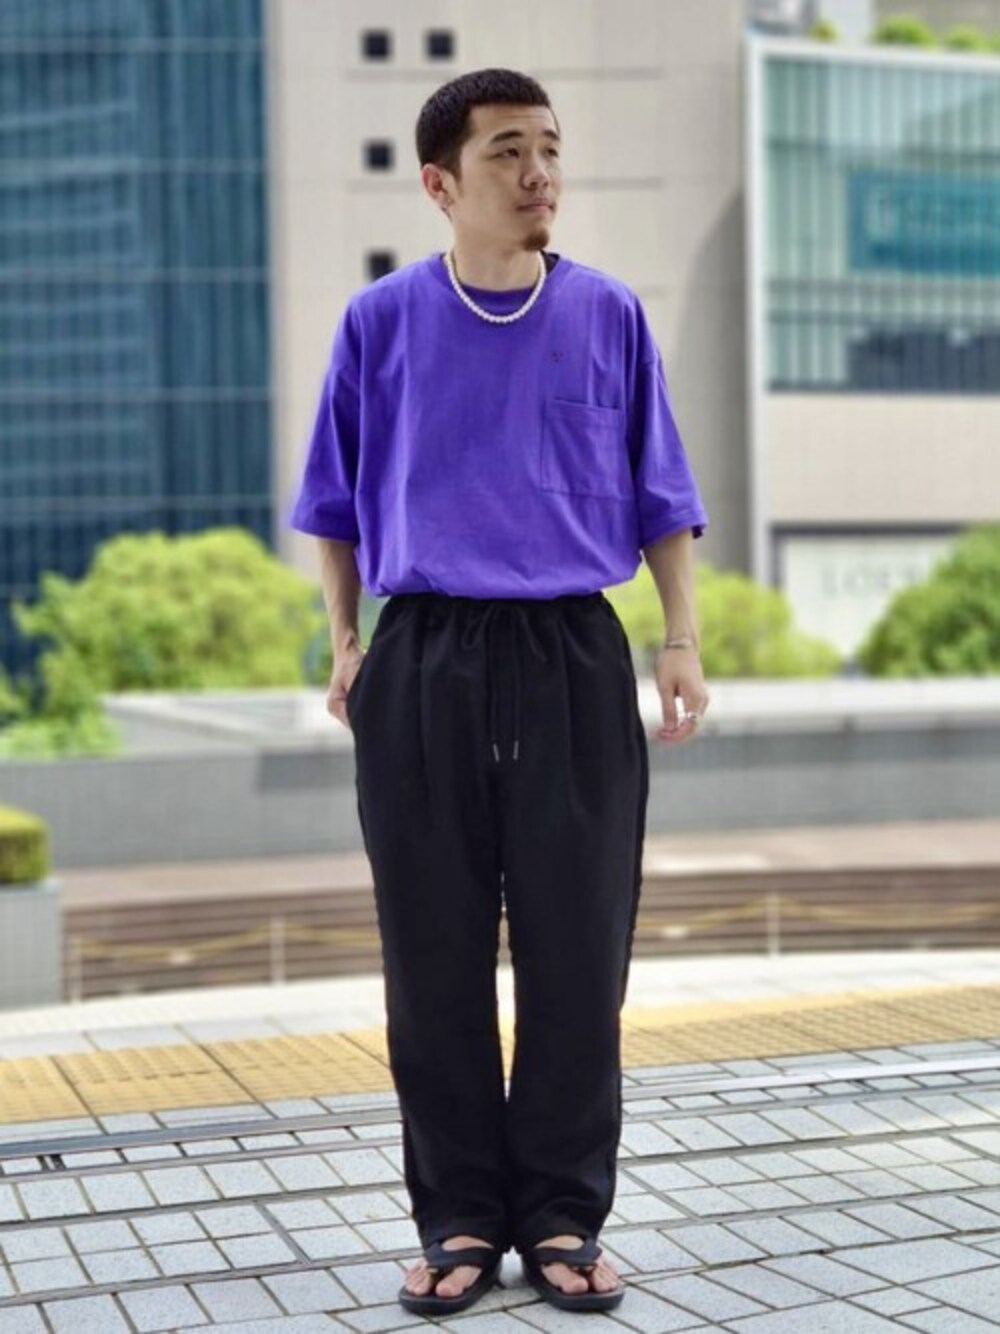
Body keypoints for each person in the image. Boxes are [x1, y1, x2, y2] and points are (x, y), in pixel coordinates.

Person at [288, 67, 710, 1317]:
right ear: (440, 182)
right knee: (433, 954)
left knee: (580, 951)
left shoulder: (608, 313)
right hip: (421, 652)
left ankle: (565, 1212)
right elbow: (333, 501)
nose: (539, 176)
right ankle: (462, 1215)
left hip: (572, 651)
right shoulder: (379, 321)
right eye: (508, 152)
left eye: (551, 150)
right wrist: (344, 638)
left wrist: (680, 638)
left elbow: (661, 492)